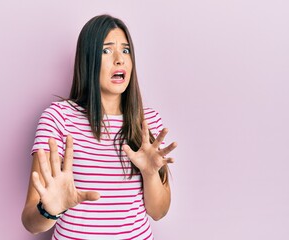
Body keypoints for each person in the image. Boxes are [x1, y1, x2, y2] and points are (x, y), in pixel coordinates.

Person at [21, 14, 177, 239]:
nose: (119, 59)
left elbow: (159, 212)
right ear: (88, 60)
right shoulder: (58, 118)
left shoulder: (147, 123)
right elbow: (30, 222)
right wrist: (49, 210)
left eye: (125, 50)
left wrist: (150, 174)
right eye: (106, 50)